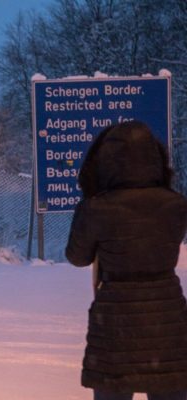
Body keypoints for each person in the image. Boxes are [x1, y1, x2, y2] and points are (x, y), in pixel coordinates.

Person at [66, 121, 187, 400]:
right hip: (167, 320)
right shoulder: (176, 204)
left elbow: (77, 257)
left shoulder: (97, 208)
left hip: (115, 324)